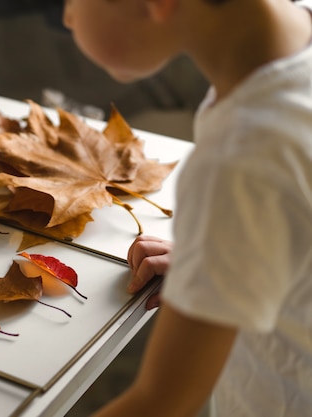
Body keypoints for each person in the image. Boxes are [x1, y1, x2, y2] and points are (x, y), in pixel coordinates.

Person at [62, 0, 312, 416]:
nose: (68, 17)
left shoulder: (242, 158)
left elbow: (163, 401)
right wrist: (229, 249)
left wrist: (230, 211)